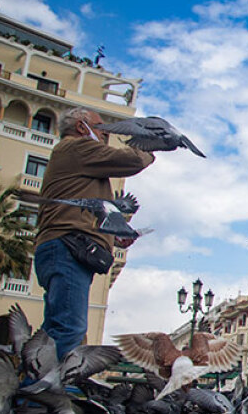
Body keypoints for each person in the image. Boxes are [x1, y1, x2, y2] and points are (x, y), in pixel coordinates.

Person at [34, 107, 157, 360]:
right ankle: (43, 393)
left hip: (64, 247)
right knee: (69, 328)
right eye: (99, 127)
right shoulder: (77, 148)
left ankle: (37, 389)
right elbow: (133, 160)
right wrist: (152, 142)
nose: (104, 133)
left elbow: (91, 211)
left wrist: (115, 236)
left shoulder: (73, 157)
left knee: (56, 327)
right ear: (82, 127)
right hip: (68, 247)